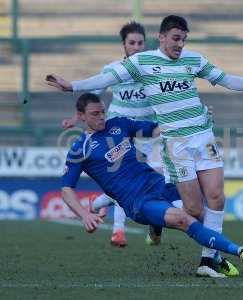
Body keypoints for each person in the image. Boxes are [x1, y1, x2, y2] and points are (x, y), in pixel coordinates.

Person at [46, 15, 243, 278]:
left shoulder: (193, 59)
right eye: (176, 39)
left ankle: (209, 260)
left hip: (203, 136)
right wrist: (72, 86)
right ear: (162, 37)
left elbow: (226, 79)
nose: (180, 44)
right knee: (192, 209)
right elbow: (105, 79)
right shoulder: (142, 63)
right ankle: (154, 224)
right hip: (176, 143)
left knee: (216, 196)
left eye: (184, 39)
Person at [62, 93, 243, 278]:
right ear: (80, 116)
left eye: (103, 112)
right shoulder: (80, 149)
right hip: (138, 202)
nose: (101, 117)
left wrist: (194, 118)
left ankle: (211, 259)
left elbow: (157, 128)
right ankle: (239, 251)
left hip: (158, 184)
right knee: (184, 220)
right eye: (94, 114)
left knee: (203, 210)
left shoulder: (119, 124)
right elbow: (66, 189)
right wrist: (84, 215)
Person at [62, 21, 162, 248]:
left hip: (143, 131)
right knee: (123, 180)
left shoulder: (151, 71)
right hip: (116, 131)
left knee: (138, 178)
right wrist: (75, 118)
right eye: (131, 43)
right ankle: (118, 231)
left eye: (140, 43)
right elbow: (91, 94)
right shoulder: (113, 70)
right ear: (124, 45)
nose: (136, 47)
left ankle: (97, 204)